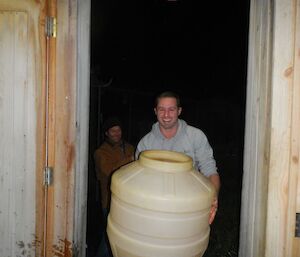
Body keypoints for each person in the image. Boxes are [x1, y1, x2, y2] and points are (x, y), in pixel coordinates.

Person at [135, 91, 221, 225]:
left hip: (190, 208)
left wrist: (213, 197)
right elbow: (138, 181)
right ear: (155, 111)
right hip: (155, 210)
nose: (166, 115)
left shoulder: (196, 136)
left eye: (171, 109)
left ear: (179, 111)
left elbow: (210, 171)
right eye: (161, 109)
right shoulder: (145, 144)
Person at [94, 116, 134, 257]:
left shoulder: (129, 147)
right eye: (113, 131)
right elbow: (109, 171)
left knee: (122, 238)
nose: (117, 133)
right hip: (110, 201)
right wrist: (130, 160)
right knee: (109, 238)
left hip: (129, 201)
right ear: (106, 133)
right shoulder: (100, 153)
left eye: (119, 130)